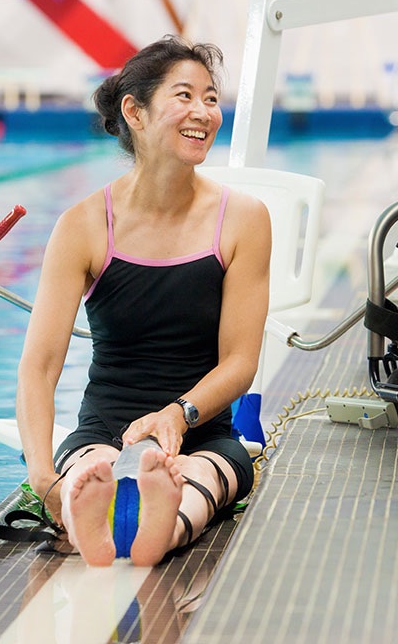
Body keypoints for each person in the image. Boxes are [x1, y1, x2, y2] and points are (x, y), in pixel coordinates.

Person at [15, 35, 271, 567]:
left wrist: (179, 414)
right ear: (134, 111)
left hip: (201, 430)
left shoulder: (243, 219)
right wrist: (44, 479)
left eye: (211, 97)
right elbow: (39, 368)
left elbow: (241, 362)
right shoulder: (83, 226)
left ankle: (164, 521)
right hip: (104, 426)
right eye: (184, 96)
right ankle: (100, 501)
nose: (203, 111)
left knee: (202, 477)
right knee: (94, 466)